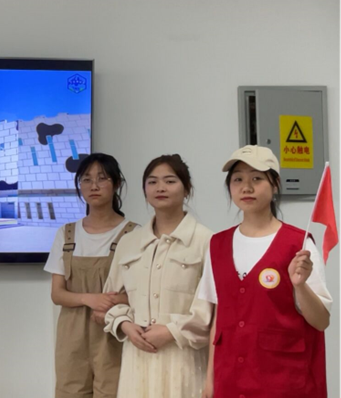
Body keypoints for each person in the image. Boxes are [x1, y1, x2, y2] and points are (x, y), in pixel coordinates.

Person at [198, 145, 331, 398]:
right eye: (238, 179)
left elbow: (321, 320)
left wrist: (300, 285)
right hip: (230, 383)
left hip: (283, 383)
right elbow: (219, 319)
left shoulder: (298, 244)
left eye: (257, 179)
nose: (246, 187)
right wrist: (210, 380)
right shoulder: (217, 245)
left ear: (275, 184)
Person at [104, 154, 212, 397]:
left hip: (184, 358)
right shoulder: (129, 243)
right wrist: (124, 324)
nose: (160, 188)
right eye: (152, 182)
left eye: (170, 181)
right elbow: (110, 299)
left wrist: (172, 331)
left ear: (187, 189)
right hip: (136, 357)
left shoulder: (207, 241)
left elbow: (212, 309)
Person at [45, 153, 138, 398]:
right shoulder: (66, 234)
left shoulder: (134, 234)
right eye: (86, 179)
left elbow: (142, 293)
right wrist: (90, 299)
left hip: (115, 332)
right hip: (71, 336)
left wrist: (111, 302)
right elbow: (57, 294)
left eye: (102, 178)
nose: (94, 186)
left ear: (117, 184)